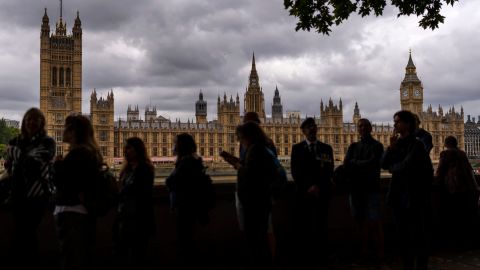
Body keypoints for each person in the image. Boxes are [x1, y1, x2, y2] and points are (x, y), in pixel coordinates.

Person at [4, 108, 55, 269]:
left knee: (31, 237)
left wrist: (16, 154)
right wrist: (21, 156)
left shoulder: (47, 142)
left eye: (35, 119)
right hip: (17, 195)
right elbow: (9, 163)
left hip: (37, 197)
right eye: (28, 119)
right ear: (24, 122)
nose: (31, 122)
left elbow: (36, 160)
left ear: (42, 123)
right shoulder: (16, 141)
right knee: (19, 237)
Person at [381, 110, 433, 270]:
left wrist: (393, 168)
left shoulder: (417, 144)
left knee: (418, 238)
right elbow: (383, 164)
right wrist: (390, 147)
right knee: (403, 239)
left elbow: (404, 167)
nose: (394, 124)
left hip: (415, 198)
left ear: (408, 124)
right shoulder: (397, 143)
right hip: (399, 198)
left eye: (397, 121)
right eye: (394, 121)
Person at [53, 114, 103, 270]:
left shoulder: (78, 154)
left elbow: (67, 184)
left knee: (72, 260)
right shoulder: (89, 152)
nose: (62, 131)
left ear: (73, 132)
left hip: (73, 214)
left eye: (65, 128)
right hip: (80, 213)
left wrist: (57, 166)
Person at [290, 117, 334, 268]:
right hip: (304, 195)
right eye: (308, 127)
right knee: (304, 227)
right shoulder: (296, 149)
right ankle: (306, 258)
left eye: (314, 126)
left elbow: (328, 170)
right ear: (303, 131)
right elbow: (295, 172)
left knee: (322, 226)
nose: (312, 129)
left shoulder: (326, 148)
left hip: (321, 194)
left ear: (317, 128)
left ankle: (322, 257)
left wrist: (318, 186)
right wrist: (308, 186)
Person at [343, 118, 386, 267]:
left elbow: (374, 163)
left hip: (371, 189)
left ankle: (379, 254)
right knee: (359, 222)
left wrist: (355, 162)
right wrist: (360, 163)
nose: (361, 128)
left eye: (364, 126)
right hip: (356, 190)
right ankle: (363, 253)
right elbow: (346, 164)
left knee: (374, 222)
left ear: (370, 128)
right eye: (359, 126)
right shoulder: (353, 146)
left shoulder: (377, 145)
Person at [234, 121, 276, 268]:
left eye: (240, 138)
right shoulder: (261, 148)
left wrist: (239, 166)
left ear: (248, 136)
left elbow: (253, 174)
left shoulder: (255, 150)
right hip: (261, 202)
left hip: (255, 203)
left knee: (256, 241)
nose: (239, 141)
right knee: (260, 239)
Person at [166, 133, 209, 266]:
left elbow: (173, 182)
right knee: (187, 240)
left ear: (181, 146)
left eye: (175, 143)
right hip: (187, 207)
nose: (173, 146)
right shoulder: (193, 160)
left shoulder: (186, 162)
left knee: (185, 241)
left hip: (186, 208)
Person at [113, 137, 155, 270]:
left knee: (138, 256)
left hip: (139, 218)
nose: (125, 150)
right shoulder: (127, 169)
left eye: (129, 147)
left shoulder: (144, 169)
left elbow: (136, 190)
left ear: (138, 150)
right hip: (124, 217)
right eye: (125, 147)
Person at [435, 135, 479, 249]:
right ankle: (468, 241)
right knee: (466, 216)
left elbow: (439, 171)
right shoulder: (463, 153)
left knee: (454, 216)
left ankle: (455, 243)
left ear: (445, 144)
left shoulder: (445, 154)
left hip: (455, 188)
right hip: (469, 187)